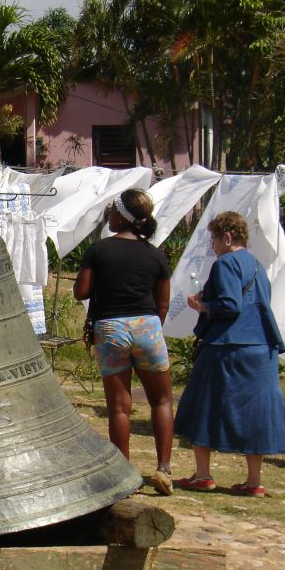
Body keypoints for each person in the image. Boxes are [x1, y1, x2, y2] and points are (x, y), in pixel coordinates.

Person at [174, 211, 285, 496]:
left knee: (201, 404)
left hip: (227, 347)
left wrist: (202, 307)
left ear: (227, 237)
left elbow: (230, 305)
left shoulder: (226, 263)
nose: (212, 247)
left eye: (214, 240)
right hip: (261, 345)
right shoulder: (257, 266)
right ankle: (254, 481)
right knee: (255, 412)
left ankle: (203, 474)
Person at [73, 188, 174, 495]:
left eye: (112, 212)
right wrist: (151, 328)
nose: (109, 216)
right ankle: (164, 470)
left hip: (110, 329)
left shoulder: (100, 250)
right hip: (148, 326)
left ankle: (124, 474)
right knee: (162, 400)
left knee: (119, 407)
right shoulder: (157, 255)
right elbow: (163, 304)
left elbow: (81, 292)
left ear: (122, 216)